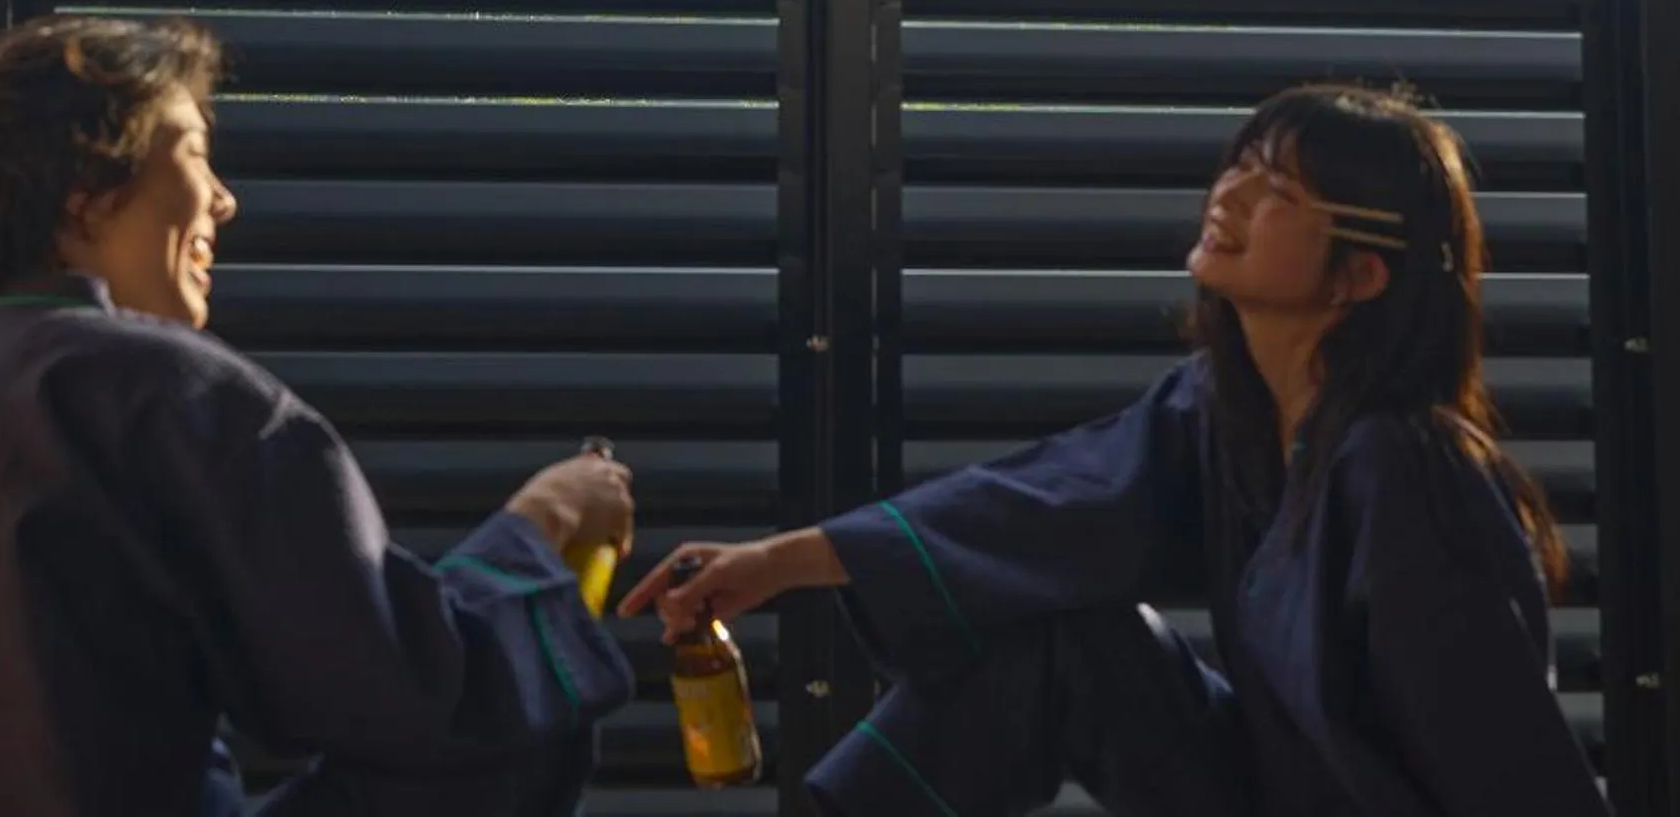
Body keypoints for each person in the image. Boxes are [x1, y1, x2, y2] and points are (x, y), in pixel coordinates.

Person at [623, 82, 1606, 817]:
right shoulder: (1220, 409)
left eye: (1279, 190)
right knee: (1069, 639)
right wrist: (777, 562)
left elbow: (1501, 755)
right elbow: (1044, 506)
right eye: (1241, 163)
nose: (1231, 193)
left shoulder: (1410, 470)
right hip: (1266, 792)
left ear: (1359, 276)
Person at [0, 14, 636, 817]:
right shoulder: (159, 386)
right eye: (194, 152)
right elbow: (416, 689)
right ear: (84, 185)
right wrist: (541, 525)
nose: (223, 199)